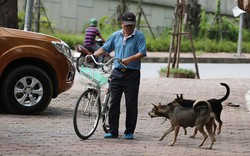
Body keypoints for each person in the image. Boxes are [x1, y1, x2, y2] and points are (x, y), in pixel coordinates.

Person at [93, 12, 147, 139]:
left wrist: (129, 59)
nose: (129, 28)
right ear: (122, 24)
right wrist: (93, 55)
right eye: (127, 25)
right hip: (117, 73)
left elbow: (142, 53)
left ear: (134, 24)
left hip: (132, 74)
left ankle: (129, 131)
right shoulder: (116, 35)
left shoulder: (139, 36)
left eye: (131, 25)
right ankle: (113, 131)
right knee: (114, 102)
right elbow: (105, 48)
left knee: (131, 104)